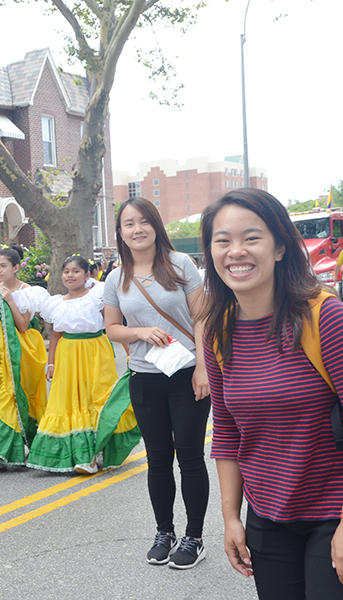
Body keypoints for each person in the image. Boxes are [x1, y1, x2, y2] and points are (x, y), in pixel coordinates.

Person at [202, 188, 343, 599]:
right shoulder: (218, 332)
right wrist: (231, 517)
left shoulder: (324, 317)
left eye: (252, 237)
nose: (236, 251)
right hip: (267, 515)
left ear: (280, 247)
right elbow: (226, 431)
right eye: (223, 240)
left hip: (332, 512)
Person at [104, 196, 210, 570]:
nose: (137, 229)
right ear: (120, 232)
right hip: (145, 378)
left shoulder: (182, 264)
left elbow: (202, 319)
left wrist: (203, 368)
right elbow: (112, 328)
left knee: (191, 458)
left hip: (186, 376)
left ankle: (194, 537)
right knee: (158, 460)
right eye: (129, 224)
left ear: (156, 225)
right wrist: (141, 332)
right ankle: (163, 532)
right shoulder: (116, 278)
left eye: (144, 221)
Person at [28, 255, 117, 473]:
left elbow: (112, 325)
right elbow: (56, 336)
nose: (70, 275)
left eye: (76, 271)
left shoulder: (97, 296)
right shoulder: (57, 304)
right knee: (68, 402)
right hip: (68, 354)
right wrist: (51, 364)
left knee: (95, 398)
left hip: (95, 350)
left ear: (88, 275)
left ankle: (94, 452)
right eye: (66, 271)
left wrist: (129, 352)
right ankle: (75, 454)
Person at [0, 244, 48, 472]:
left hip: (20, 351)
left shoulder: (27, 290)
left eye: (4, 266)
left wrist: (10, 301)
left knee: (19, 397)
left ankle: (26, 446)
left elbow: (23, 325)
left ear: (16, 267)